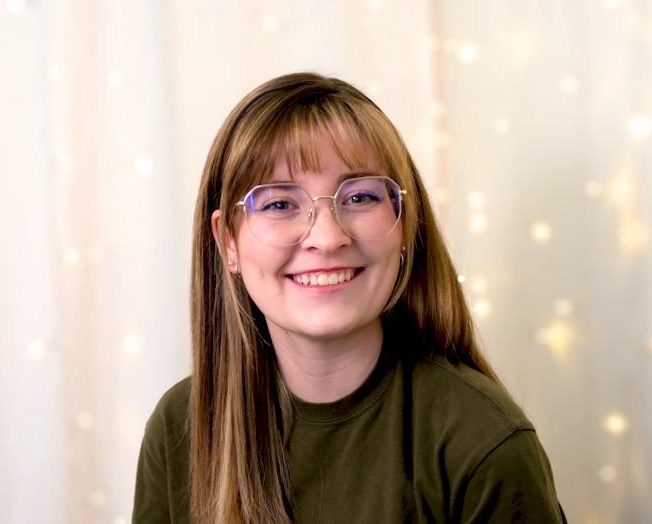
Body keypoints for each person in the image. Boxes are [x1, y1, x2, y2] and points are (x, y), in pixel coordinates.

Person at [133, 72, 566, 524]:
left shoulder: (483, 441)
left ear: (405, 224)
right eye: (280, 204)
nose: (327, 237)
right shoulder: (178, 428)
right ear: (228, 242)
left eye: (359, 197)